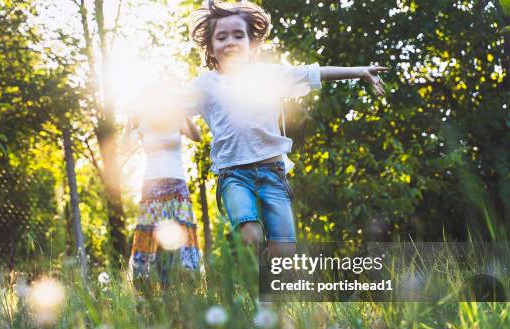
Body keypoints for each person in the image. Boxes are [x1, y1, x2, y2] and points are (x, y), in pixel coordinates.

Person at [185, 1, 388, 258]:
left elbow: (312, 73)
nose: (230, 42)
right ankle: (255, 277)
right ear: (211, 49)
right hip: (233, 174)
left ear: (253, 45)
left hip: (273, 172)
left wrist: (360, 72)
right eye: (221, 37)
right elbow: (167, 104)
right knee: (250, 235)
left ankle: (266, 290)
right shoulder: (205, 85)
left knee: (284, 252)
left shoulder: (269, 75)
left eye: (239, 35)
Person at [124, 82, 202, 285]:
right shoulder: (142, 125)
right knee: (153, 237)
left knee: (182, 236)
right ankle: (152, 288)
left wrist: (183, 113)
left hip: (177, 185)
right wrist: (128, 120)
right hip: (152, 187)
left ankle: (187, 285)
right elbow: (125, 149)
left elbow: (197, 137)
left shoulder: (176, 121)